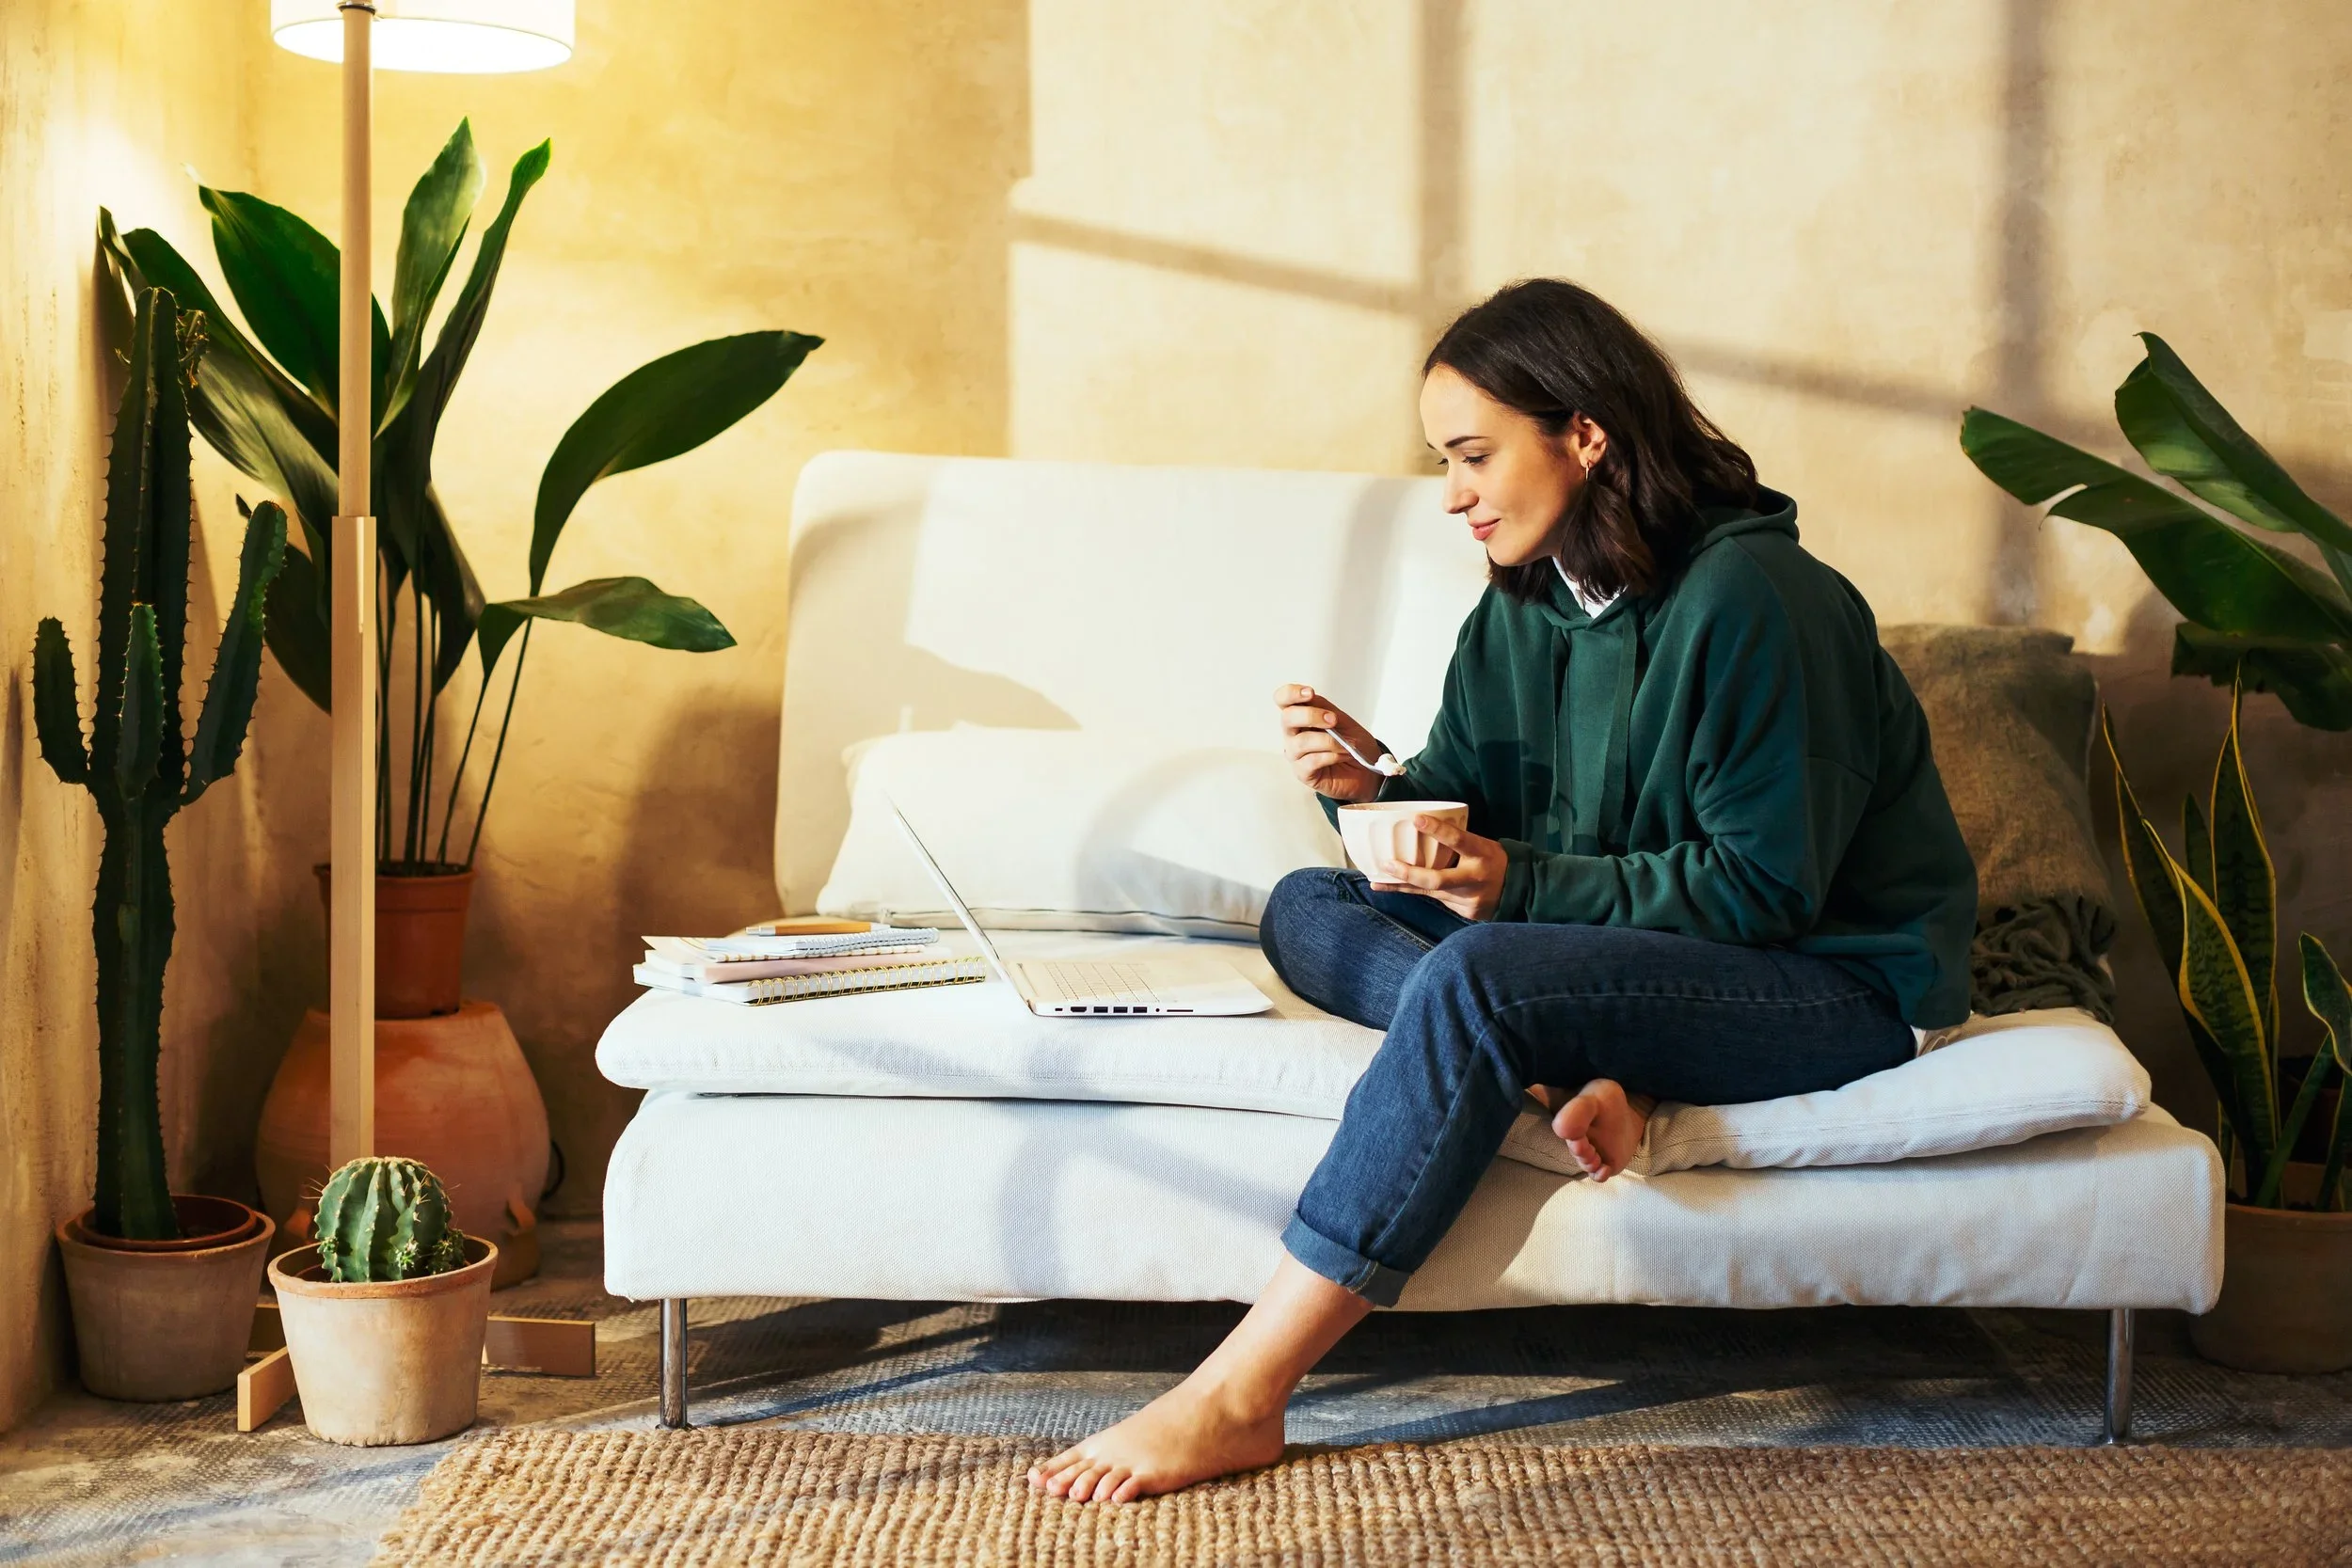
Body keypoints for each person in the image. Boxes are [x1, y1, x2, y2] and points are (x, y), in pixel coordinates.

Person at [1026, 277, 1978, 1504]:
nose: (1454, 493)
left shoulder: (1760, 604)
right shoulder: (1523, 603)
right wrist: (1368, 789)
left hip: (1831, 980)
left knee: (1477, 977)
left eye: (1473, 454)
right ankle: (1558, 1063)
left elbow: (1764, 891)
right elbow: (1462, 815)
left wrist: (1513, 886)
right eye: (1445, 460)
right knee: (1307, 906)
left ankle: (1239, 1393)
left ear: (1585, 431)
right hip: (1629, 954)